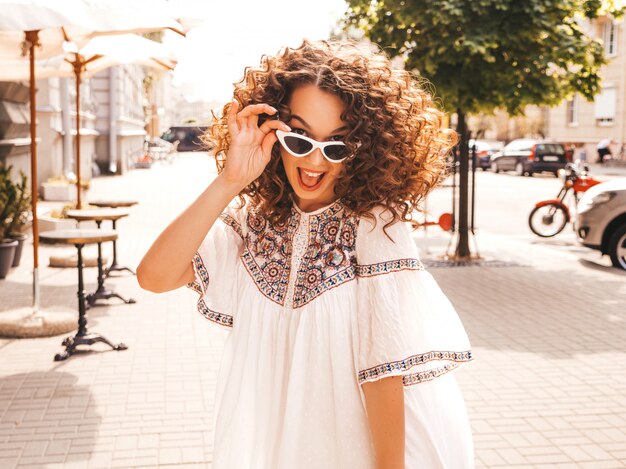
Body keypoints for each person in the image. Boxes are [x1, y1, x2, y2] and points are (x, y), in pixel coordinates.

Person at [137, 40, 474, 469]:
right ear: (274, 133)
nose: (315, 160)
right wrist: (229, 181)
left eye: (337, 146)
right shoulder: (251, 224)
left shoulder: (374, 226)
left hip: (364, 447)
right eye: (299, 139)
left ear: (364, 152)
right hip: (272, 445)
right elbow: (154, 276)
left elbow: (384, 366)